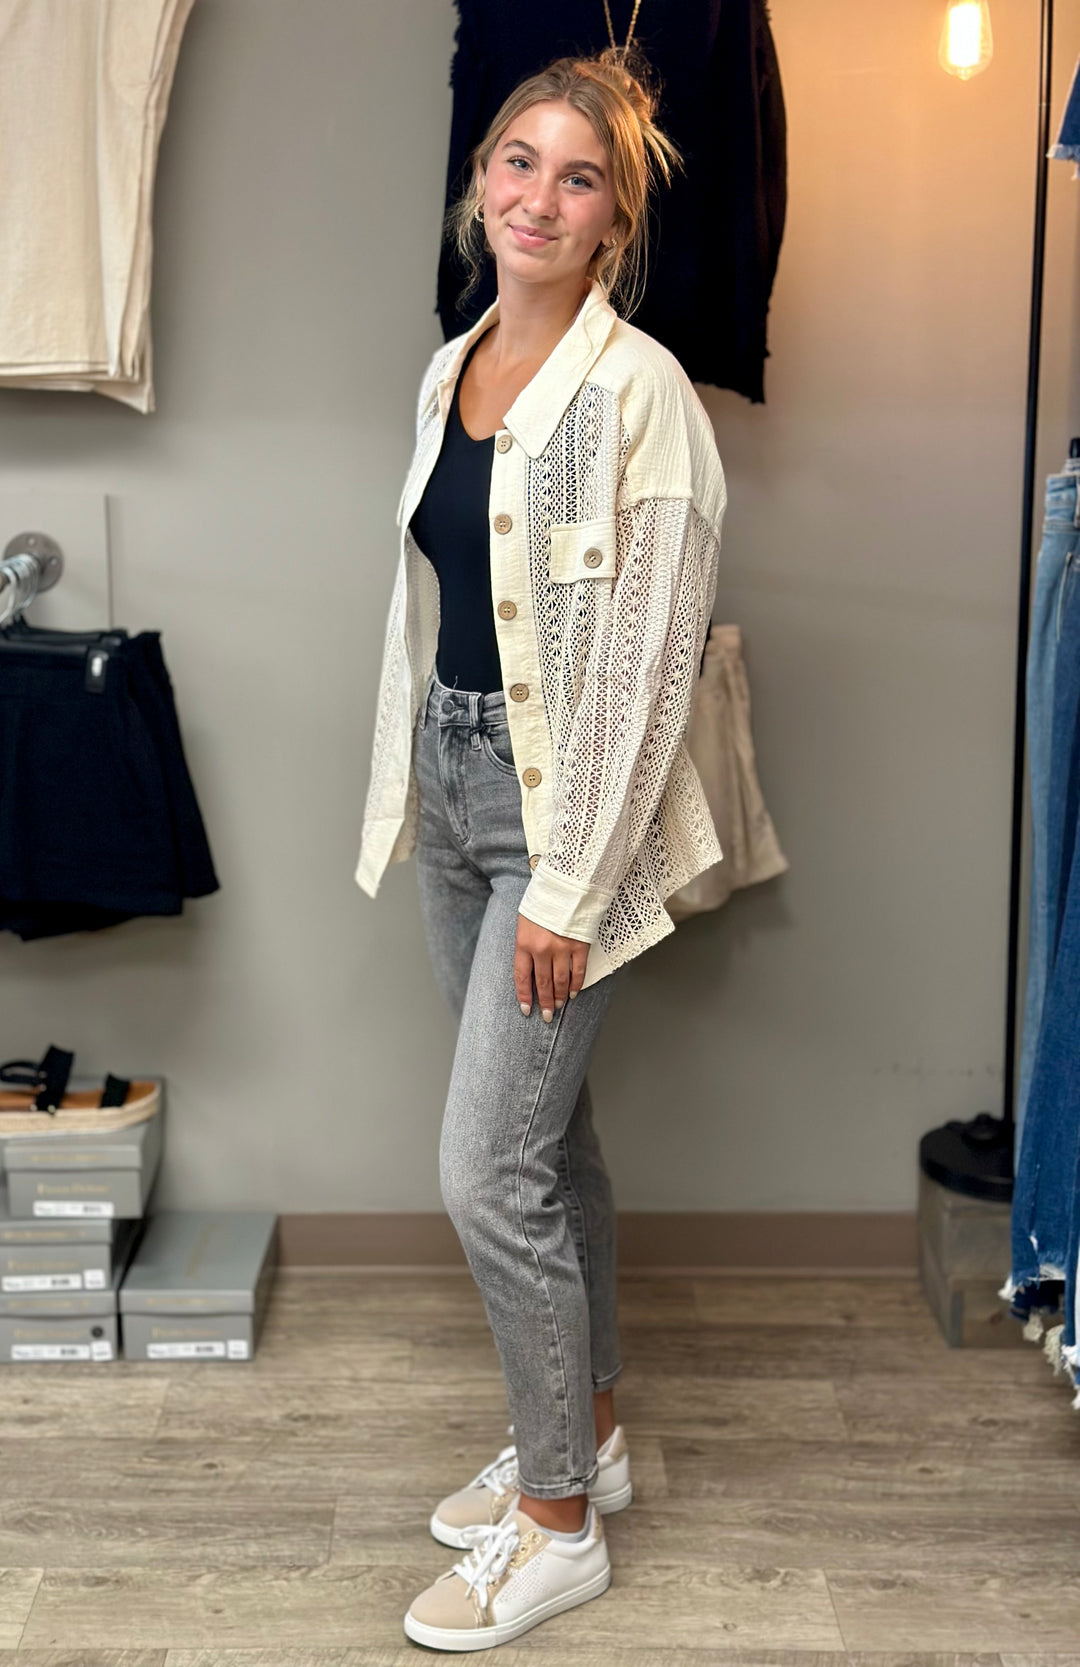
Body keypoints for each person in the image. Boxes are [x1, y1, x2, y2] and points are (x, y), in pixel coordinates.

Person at [355, 46, 727, 1652]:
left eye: (579, 179)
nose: (539, 196)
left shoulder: (644, 397)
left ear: (612, 224)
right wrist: (417, 794)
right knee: (549, 1144)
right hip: (452, 796)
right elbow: (438, 609)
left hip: (559, 822)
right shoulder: (450, 370)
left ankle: (561, 1527)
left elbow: (649, 668)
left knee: (486, 1173)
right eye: (519, 160)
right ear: (481, 181)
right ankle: (597, 1436)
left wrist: (568, 885)